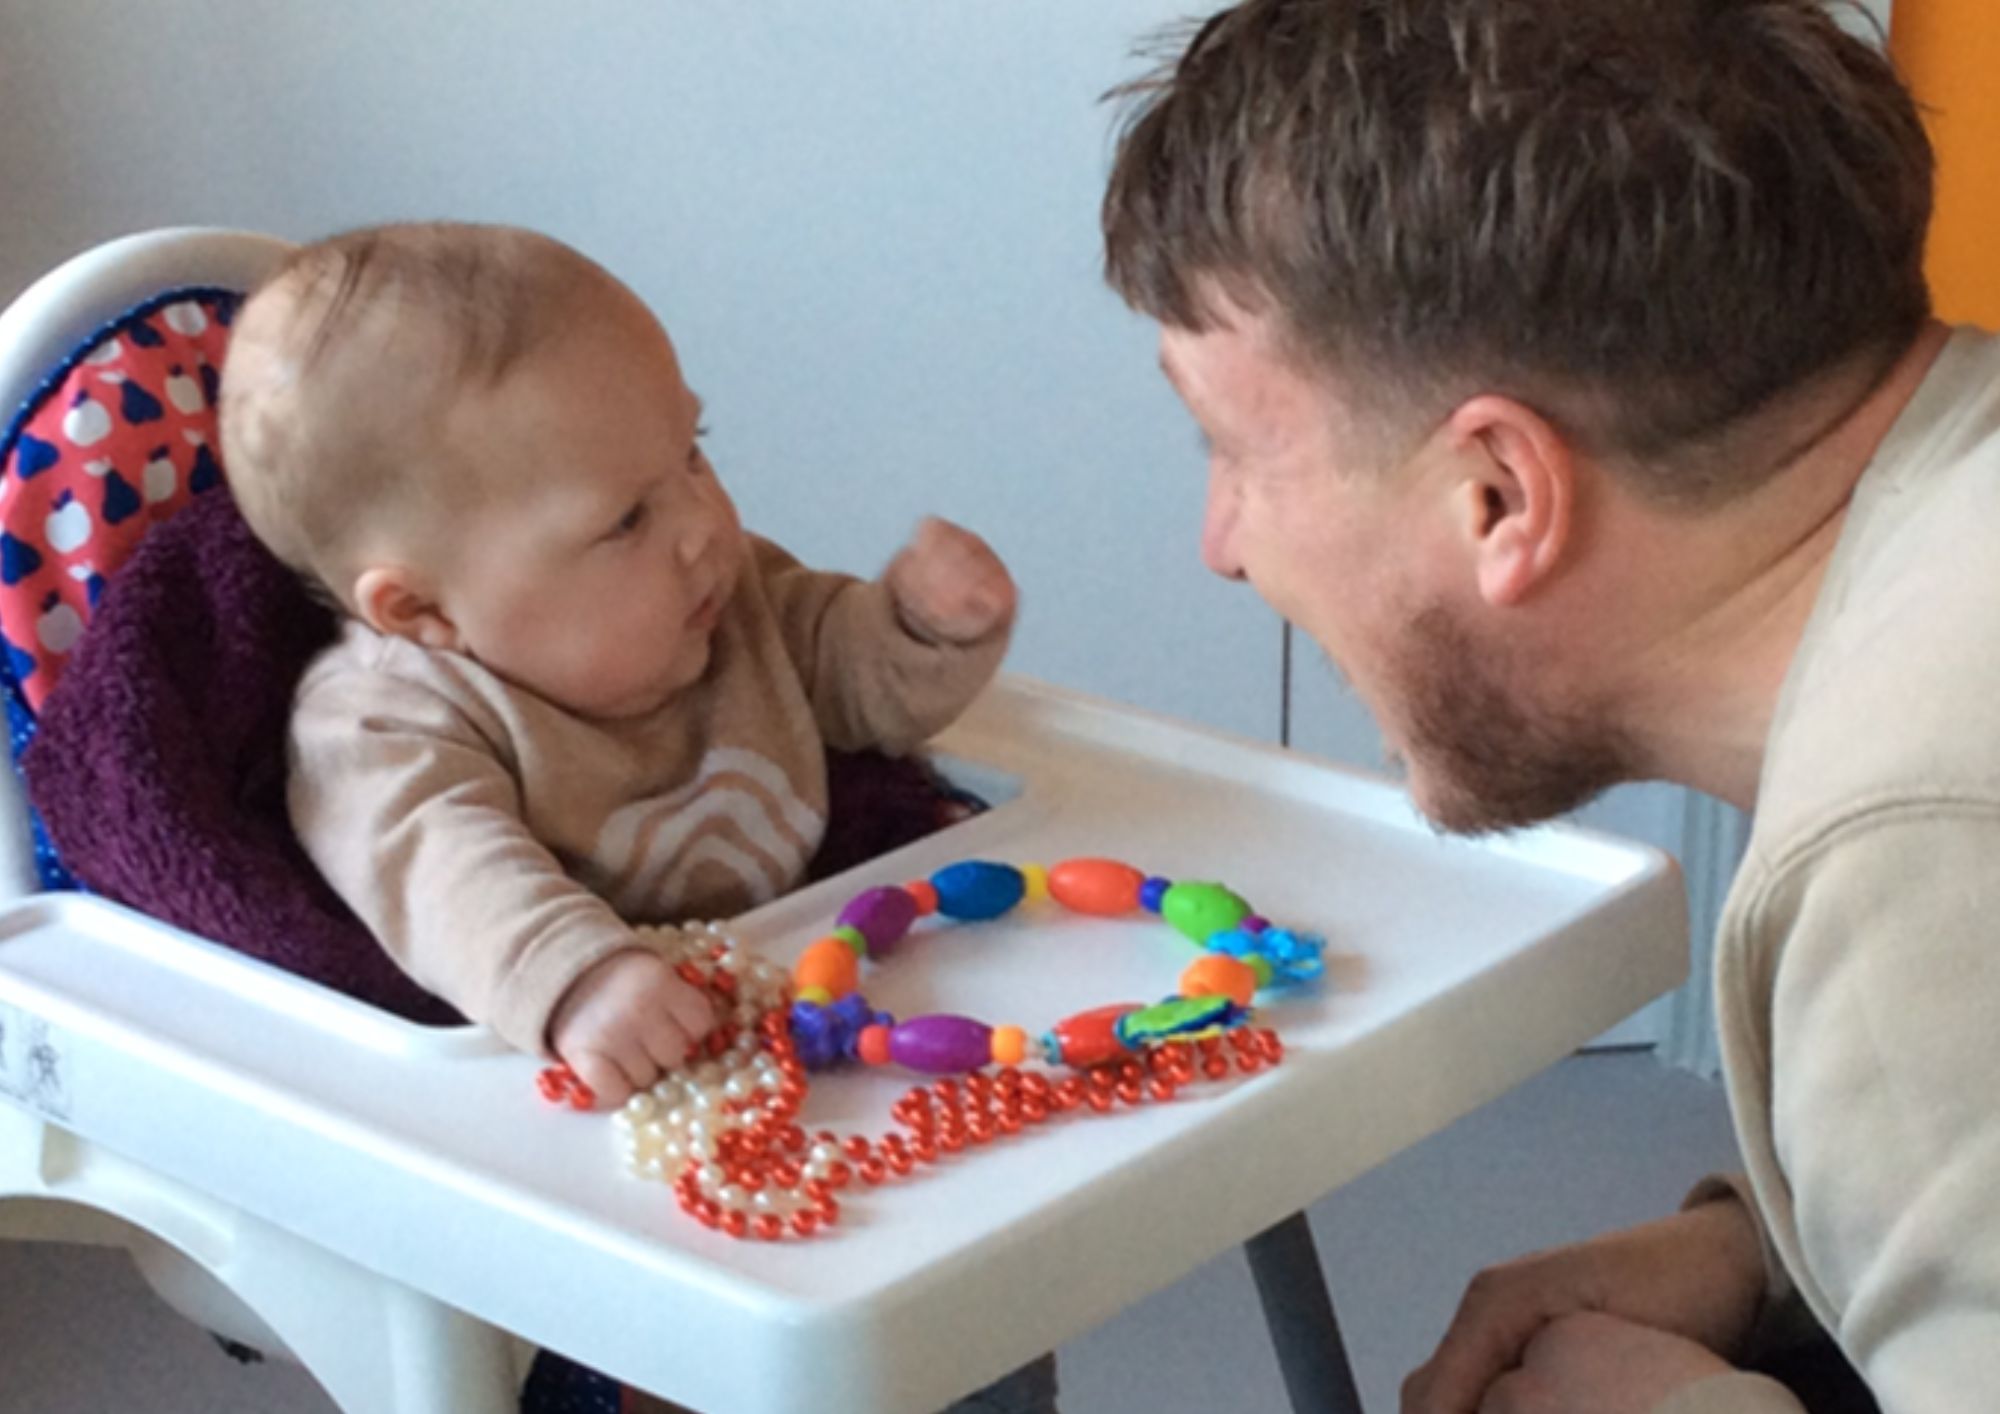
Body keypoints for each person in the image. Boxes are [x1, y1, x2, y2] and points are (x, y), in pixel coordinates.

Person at [1102, 1, 1995, 1411]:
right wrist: (1762, 1250)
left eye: (1233, 448)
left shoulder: (1919, 841)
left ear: (1499, 497)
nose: (1221, 541)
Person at [218, 222, 1017, 1109]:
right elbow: (442, 874)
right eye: (627, 519)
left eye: (692, 451)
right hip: (599, 1093)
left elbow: (854, 685)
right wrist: (580, 981)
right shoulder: (383, 725)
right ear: (423, 611)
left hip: (810, 1017)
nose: (702, 525)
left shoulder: (723, 597)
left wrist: (918, 625)